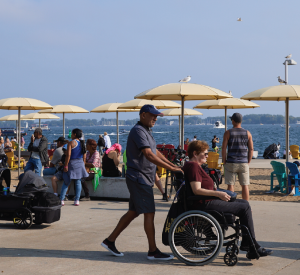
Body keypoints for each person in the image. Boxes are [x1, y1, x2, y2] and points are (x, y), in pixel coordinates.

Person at [101, 104, 181, 260]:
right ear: (143, 115)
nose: (155, 118)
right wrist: (172, 169)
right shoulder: (138, 131)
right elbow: (149, 155)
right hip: (139, 178)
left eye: (157, 116)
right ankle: (153, 251)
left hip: (142, 177)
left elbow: (155, 151)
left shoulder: (146, 131)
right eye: (153, 115)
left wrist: (173, 165)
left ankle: (109, 241)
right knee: (149, 212)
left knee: (134, 211)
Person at [182, 140, 272, 259]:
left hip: (206, 200)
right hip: (205, 203)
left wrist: (217, 192)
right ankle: (251, 245)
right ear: (195, 153)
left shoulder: (193, 165)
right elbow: (196, 190)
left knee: (244, 203)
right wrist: (218, 194)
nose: (207, 155)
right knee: (244, 207)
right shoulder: (193, 166)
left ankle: (248, 244)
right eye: (205, 153)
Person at [222, 113, 253, 201]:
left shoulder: (228, 132)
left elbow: (224, 149)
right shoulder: (247, 133)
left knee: (231, 185)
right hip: (243, 162)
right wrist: (248, 162)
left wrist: (225, 162)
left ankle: (231, 205)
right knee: (245, 185)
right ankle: (246, 205)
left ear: (233, 121)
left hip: (231, 162)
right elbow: (251, 149)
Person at [59, 128, 88, 206]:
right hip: (80, 163)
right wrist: (83, 164)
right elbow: (84, 156)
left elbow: (68, 155)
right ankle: (77, 200)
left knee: (66, 182)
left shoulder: (71, 143)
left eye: (71, 134)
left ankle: (61, 199)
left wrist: (65, 165)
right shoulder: (82, 143)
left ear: (75, 134)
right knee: (78, 182)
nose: (70, 135)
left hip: (72, 163)